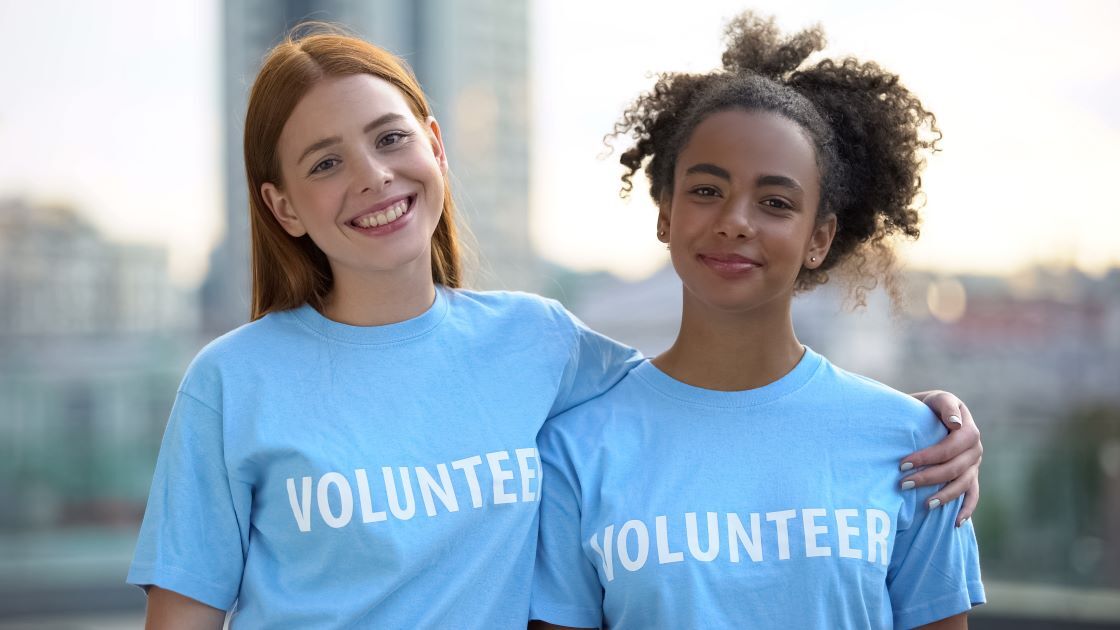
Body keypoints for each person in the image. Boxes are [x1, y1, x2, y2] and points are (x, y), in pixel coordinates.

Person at [126, 25, 981, 629]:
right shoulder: (233, 381)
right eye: (325, 163)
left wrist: (925, 421)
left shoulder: (537, 343)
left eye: (391, 139)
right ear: (282, 206)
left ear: (435, 146)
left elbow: (722, 382)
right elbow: (184, 614)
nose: (374, 177)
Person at [530, 13, 985, 630]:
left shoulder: (917, 449)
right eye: (706, 191)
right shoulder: (575, 451)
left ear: (819, 238)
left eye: (775, 203)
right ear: (665, 214)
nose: (736, 220)